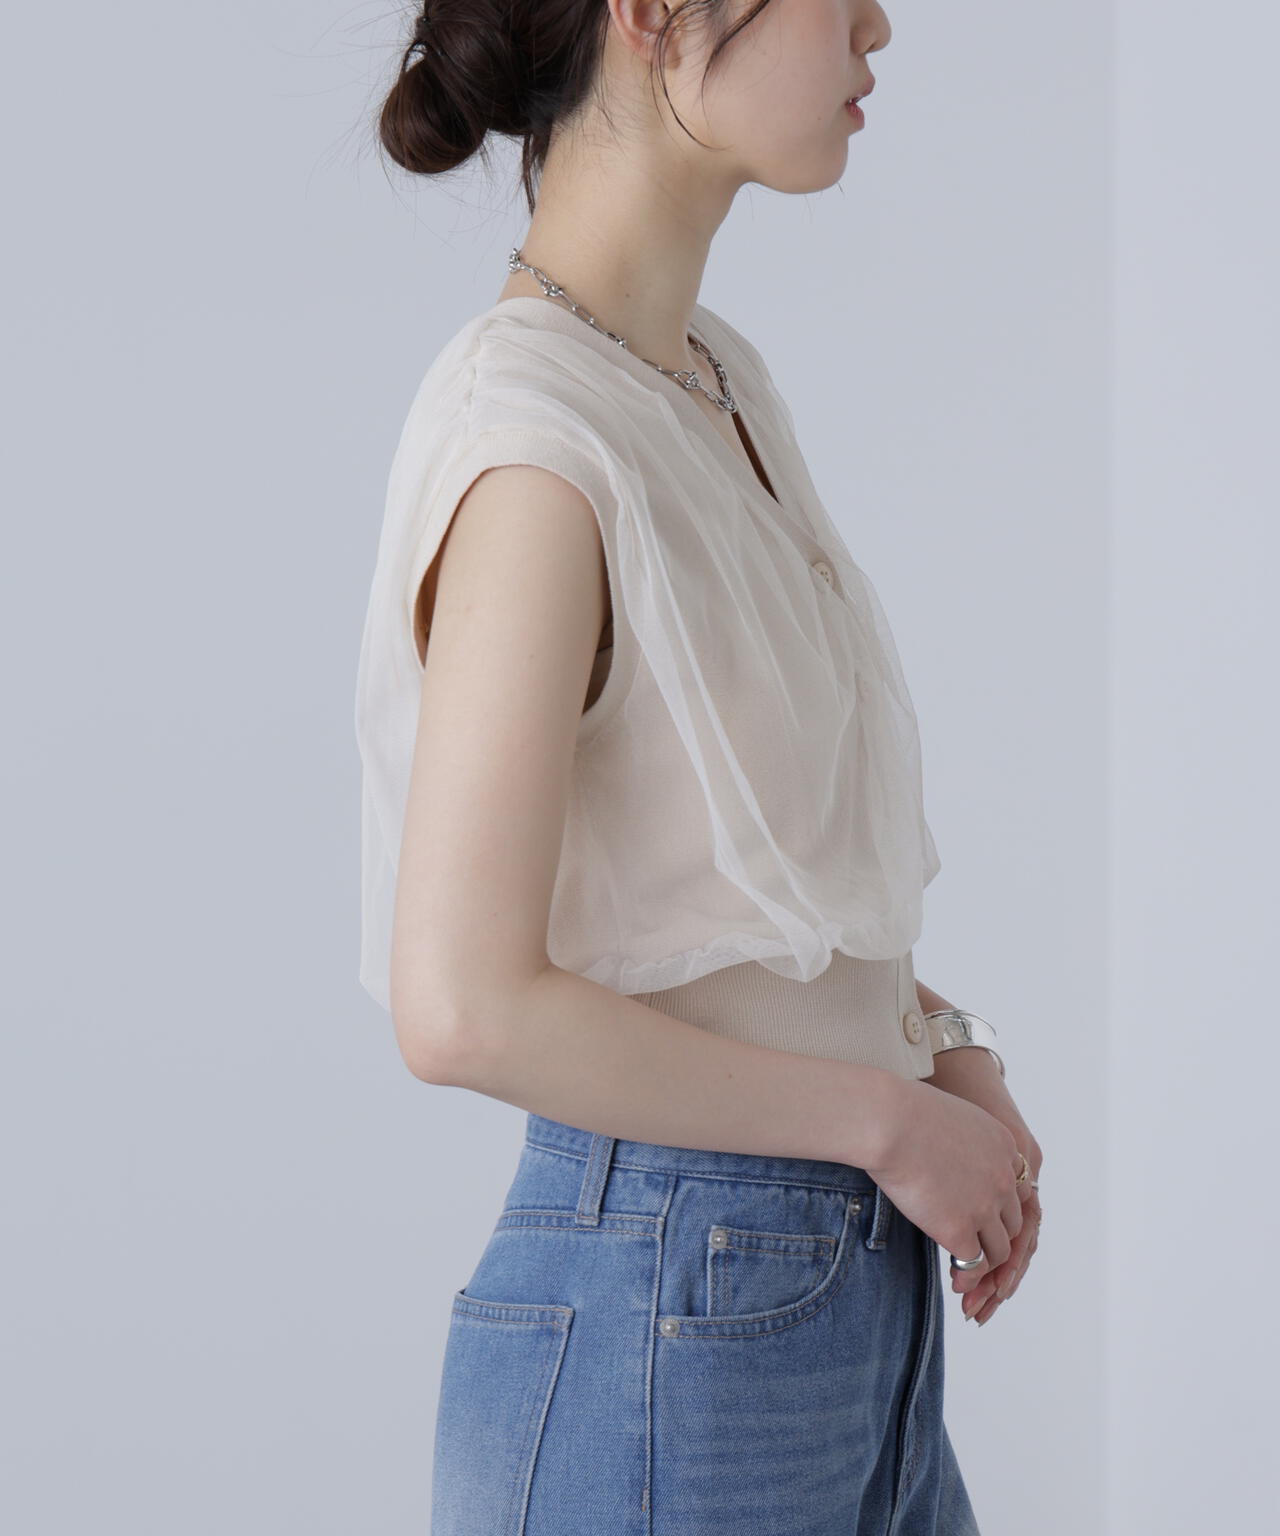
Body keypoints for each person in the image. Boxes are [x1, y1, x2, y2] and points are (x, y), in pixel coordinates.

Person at [355, 3, 1044, 1531]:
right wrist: (884, 1121)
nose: (876, 23)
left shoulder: (710, 383)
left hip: (817, 1311)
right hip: (667, 1296)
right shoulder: (533, 440)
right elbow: (460, 1004)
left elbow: (716, 905)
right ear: (654, 12)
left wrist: (931, 1045)